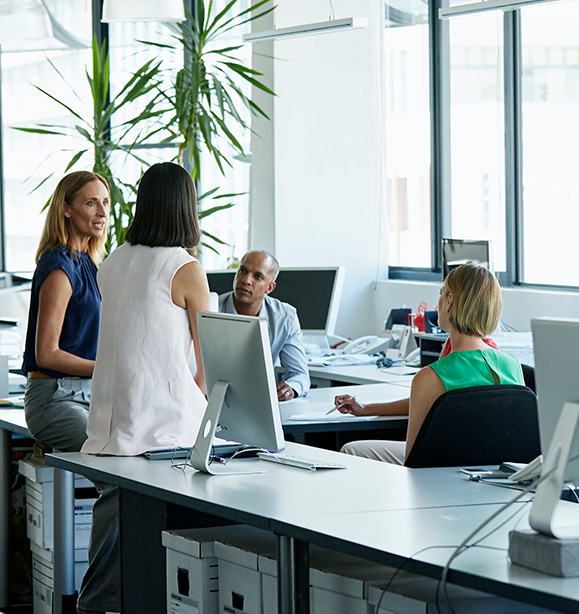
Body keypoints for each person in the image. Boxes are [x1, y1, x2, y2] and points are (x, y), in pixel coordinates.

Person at [78, 162, 210, 614]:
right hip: (164, 428)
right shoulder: (184, 267)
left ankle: (96, 603)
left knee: (116, 522)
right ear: (186, 208)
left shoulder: (113, 261)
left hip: (113, 425)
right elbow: (208, 363)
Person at [335, 263, 524, 465]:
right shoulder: (512, 365)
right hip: (497, 476)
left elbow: (414, 459)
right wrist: (367, 409)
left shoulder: (431, 377)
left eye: (441, 292)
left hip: (441, 477)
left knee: (351, 450)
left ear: (449, 301)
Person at [23, 170, 109, 452]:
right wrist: (106, 369)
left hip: (89, 395)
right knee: (110, 458)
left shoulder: (91, 264)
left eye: (106, 203)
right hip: (54, 398)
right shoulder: (60, 266)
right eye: (91, 203)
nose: (101, 212)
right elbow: (46, 353)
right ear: (66, 209)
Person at [219, 250, 310, 401]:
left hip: (259, 402)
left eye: (258, 276)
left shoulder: (285, 317)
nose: (246, 280)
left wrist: (291, 388)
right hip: (214, 400)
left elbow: (299, 374)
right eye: (243, 271)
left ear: (270, 288)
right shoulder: (210, 308)